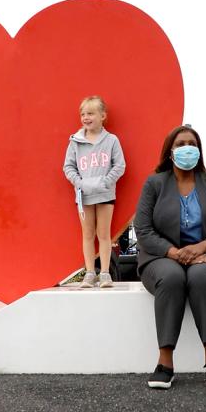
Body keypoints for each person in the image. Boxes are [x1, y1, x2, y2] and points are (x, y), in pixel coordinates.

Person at [134, 125, 206, 389]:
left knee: (201, 276)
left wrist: (202, 247)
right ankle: (164, 362)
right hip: (161, 258)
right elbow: (143, 230)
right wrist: (174, 253)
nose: (186, 148)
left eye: (192, 143)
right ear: (170, 151)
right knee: (171, 277)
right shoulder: (154, 183)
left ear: (199, 150)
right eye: (180, 144)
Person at [63, 96, 126, 288]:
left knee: (104, 234)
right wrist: (79, 183)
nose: (85, 117)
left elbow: (120, 165)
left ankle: (105, 273)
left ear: (102, 116)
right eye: (82, 114)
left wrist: (105, 182)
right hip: (83, 196)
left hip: (105, 195)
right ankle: (89, 273)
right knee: (88, 234)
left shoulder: (111, 140)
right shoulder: (75, 141)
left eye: (90, 113)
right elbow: (68, 167)